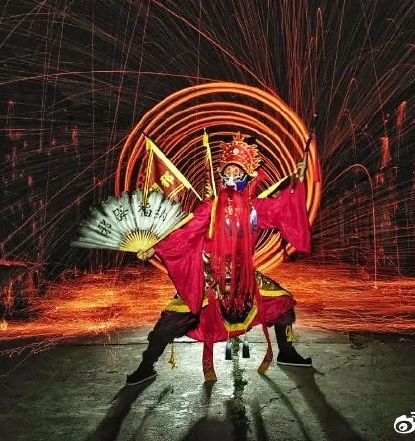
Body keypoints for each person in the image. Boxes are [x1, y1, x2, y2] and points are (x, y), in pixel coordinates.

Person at [126, 132, 313, 386]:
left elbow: (284, 209)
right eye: (228, 172)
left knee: (283, 303)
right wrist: (156, 247)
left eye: (238, 173)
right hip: (208, 279)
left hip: (244, 281)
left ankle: (287, 352)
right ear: (221, 176)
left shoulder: (255, 209)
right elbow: (185, 233)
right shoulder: (210, 207)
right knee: (171, 321)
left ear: (248, 176)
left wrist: (297, 182)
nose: (232, 178)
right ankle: (146, 365)